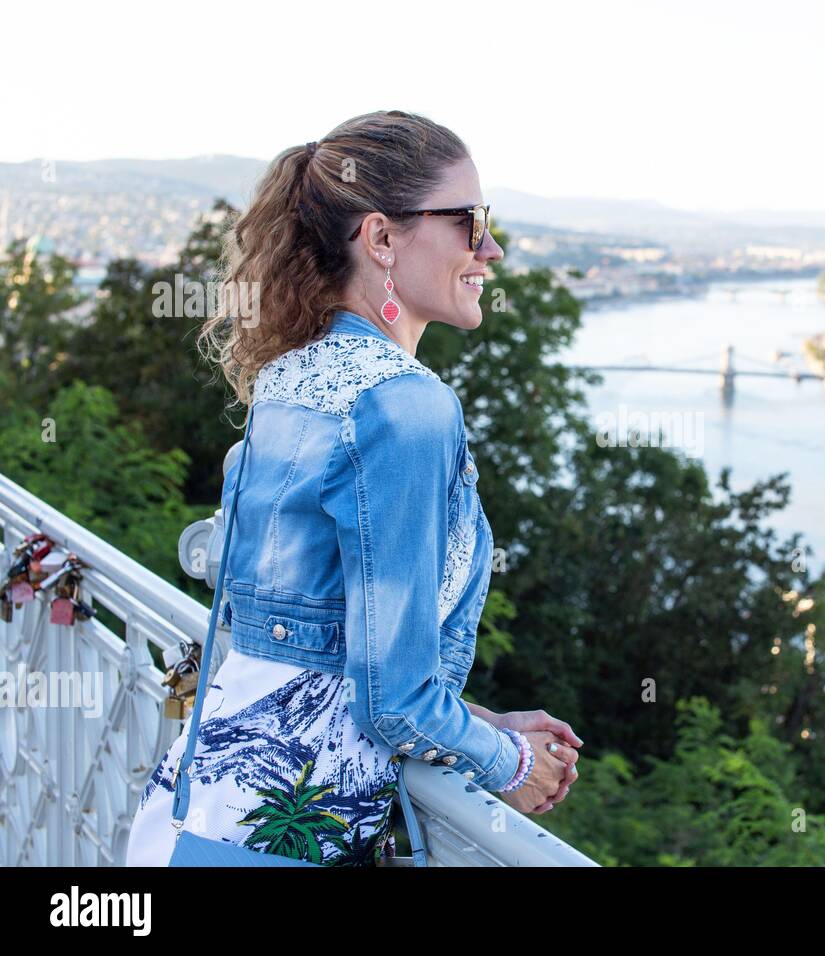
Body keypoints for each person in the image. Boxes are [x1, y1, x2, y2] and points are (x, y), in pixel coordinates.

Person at [126, 110, 580, 866]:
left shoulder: (290, 380)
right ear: (381, 239)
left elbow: (323, 657)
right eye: (471, 222)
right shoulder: (406, 407)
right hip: (294, 835)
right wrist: (515, 765)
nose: (491, 249)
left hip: (199, 813)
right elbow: (392, 699)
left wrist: (479, 721)